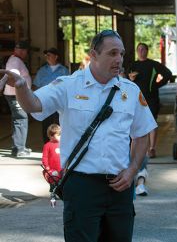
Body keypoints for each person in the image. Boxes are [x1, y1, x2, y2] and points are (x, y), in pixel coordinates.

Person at [0, 29, 157, 241]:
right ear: (93, 54)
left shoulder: (130, 91)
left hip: (120, 187)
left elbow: (141, 134)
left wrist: (132, 171)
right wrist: (20, 86)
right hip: (81, 186)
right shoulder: (68, 85)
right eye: (112, 53)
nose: (119, 59)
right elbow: (34, 105)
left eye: (121, 54)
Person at [128, 42, 172, 158]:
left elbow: (168, 74)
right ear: (137, 51)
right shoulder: (133, 65)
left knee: (152, 123)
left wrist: (157, 85)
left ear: (147, 51)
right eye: (139, 49)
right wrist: (131, 79)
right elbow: (124, 79)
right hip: (136, 98)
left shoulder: (153, 64)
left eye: (143, 49)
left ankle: (152, 148)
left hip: (152, 97)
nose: (141, 51)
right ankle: (137, 148)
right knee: (136, 123)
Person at [33, 47, 69, 143]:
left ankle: (59, 145)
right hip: (45, 102)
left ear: (56, 56)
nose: (47, 57)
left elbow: (69, 87)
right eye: (46, 55)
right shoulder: (42, 70)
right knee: (46, 124)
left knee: (59, 124)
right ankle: (47, 145)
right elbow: (36, 85)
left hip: (59, 102)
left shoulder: (64, 70)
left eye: (49, 55)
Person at [3, 40, 32, 157]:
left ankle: (18, 147)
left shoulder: (15, 60)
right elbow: (12, 76)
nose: (26, 54)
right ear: (22, 51)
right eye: (25, 51)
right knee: (21, 118)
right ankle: (19, 149)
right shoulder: (15, 61)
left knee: (18, 119)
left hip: (15, 94)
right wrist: (20, 90)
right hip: (16, 95)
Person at [41, 124, 62, 193]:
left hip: (62, 167)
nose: (59, 137)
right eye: (58, 135)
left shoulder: (62, 144)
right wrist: (46, 166)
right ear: (51, 136)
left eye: (60, 135)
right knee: (53, 178)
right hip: (52, 168)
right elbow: (45, 157)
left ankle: (60, 189)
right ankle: (53, 187)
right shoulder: (47, 145)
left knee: (62, 180)